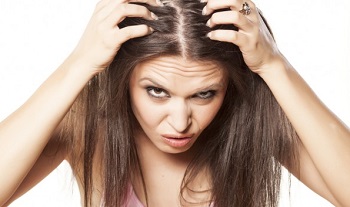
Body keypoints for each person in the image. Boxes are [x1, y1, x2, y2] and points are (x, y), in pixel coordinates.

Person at [0, 0, 349, 206]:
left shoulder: (252, 122)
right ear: (125, 80)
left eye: (204, 94)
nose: (180, 122)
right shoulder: (91, 123)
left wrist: (274, 65)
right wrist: (80, 63)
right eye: (156, 91)